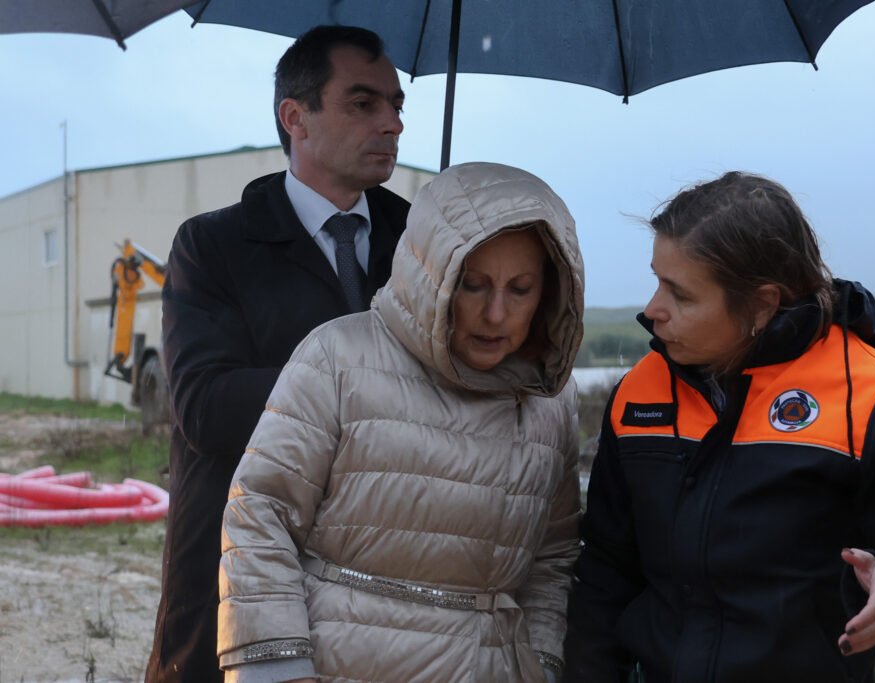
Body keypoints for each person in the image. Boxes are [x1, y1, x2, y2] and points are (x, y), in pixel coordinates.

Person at [563, 171, 875, 683]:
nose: (652, 311)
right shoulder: (638, 394)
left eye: (680, 295)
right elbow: (604, 575)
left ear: (762, 305)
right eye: (656, 280)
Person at [214, 161, 585, 683]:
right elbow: (260, 512)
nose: (496, 314)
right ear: (430, 274)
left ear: (551, 292)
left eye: (520, 289)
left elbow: (553, 558)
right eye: (472, 285)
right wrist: (277, 666)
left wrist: (541, 663)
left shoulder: (553, 401)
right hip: (336, 666)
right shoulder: (338, 358)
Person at [146, 25, 409, 683]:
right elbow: (207, 407)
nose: (392, 123)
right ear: (296, 117)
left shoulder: (423, 245)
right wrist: (366, 386)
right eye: (363, 103)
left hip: (384, 582)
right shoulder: (214, 246)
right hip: (238, 575)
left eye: (396, 104)